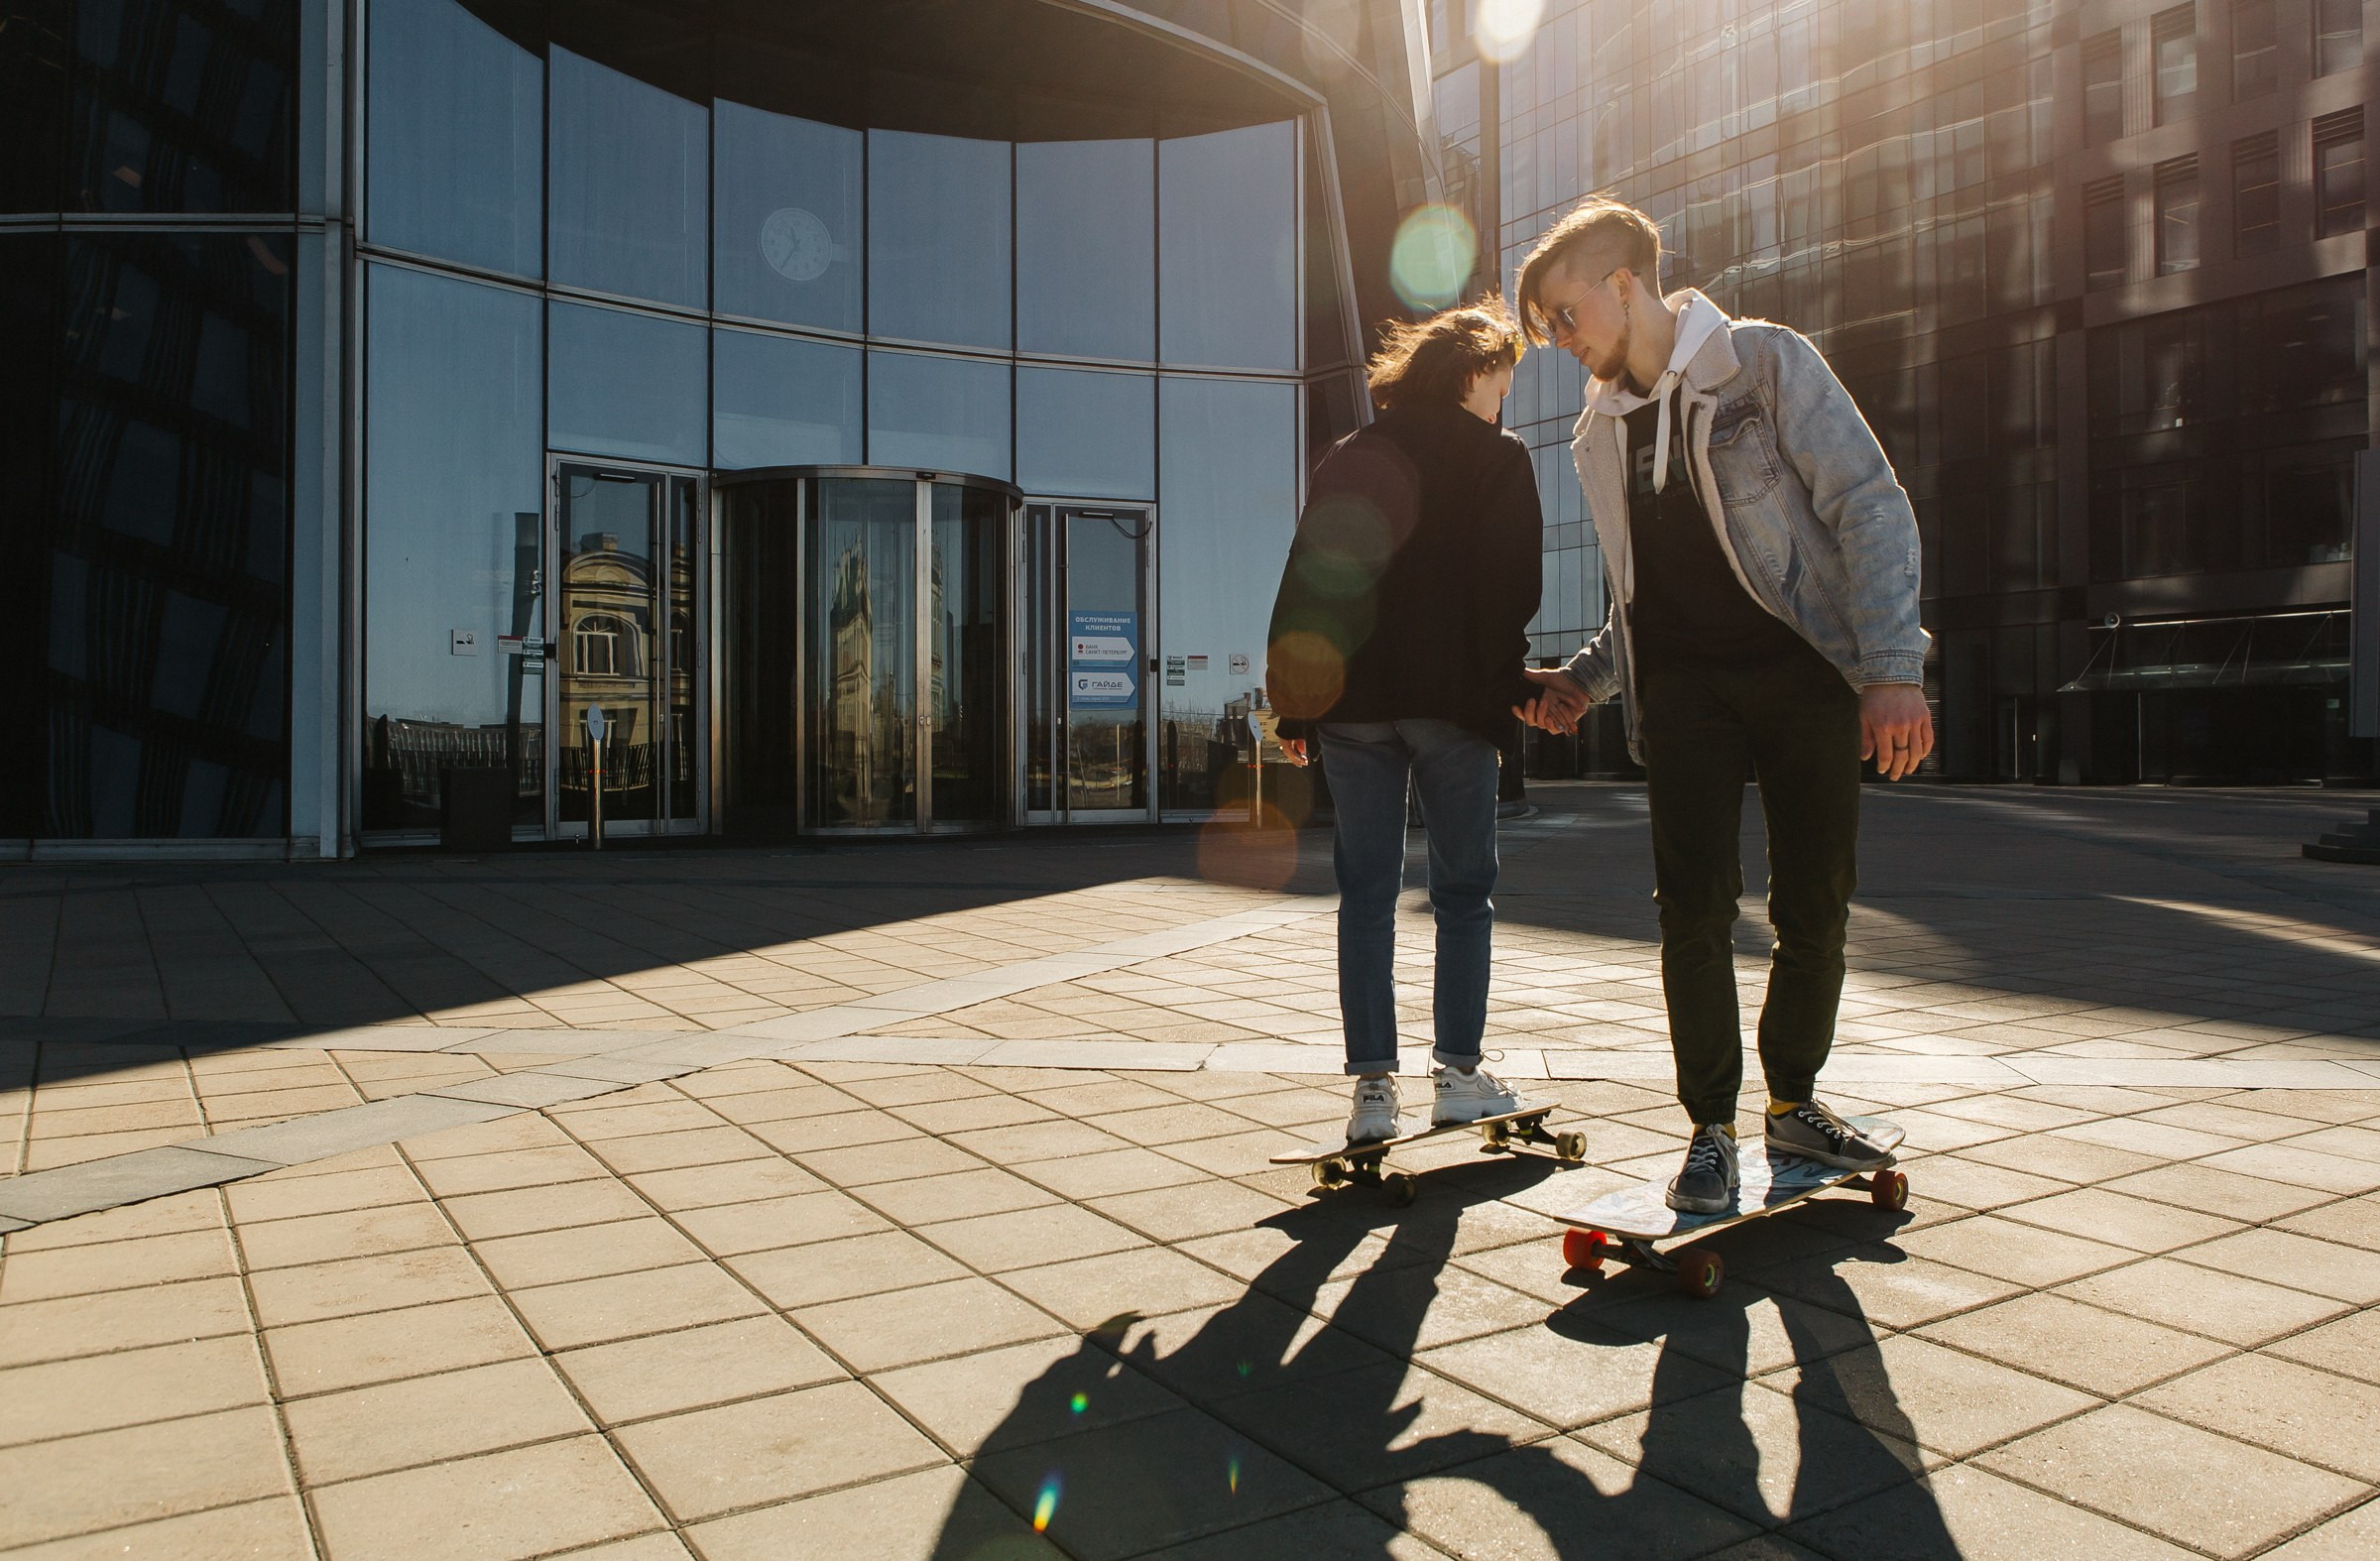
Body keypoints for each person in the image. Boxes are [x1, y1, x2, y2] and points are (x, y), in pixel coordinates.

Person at [1508, 195, 1934, 1214]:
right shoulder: (1599, 432)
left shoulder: (1763, 363)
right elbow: (1641, 595)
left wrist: (1891, 667)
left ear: (1624, 284)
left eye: (1564, 315)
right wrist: (1585, 680)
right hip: (1685, 692)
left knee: (1814, 902)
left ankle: (1794, 1103)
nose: (1560, 342)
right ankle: (1710, 1130)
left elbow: (1869, 505)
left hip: (1801, 670)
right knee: (1692, 909)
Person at [1266, 301, 1543, 1143]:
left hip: (1354, 707)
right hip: (1453, 705)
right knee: (1462, 893)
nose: (1503, 400)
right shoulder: (1497, 457)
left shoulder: (1353, 452)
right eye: (1502, 382)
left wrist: (1295, 702)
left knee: (1366, 894)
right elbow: (1509, 587)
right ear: (1474, 370)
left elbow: (1312, 574)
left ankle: (1373, 1092)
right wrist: (1505, 685)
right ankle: (1458, 1076)